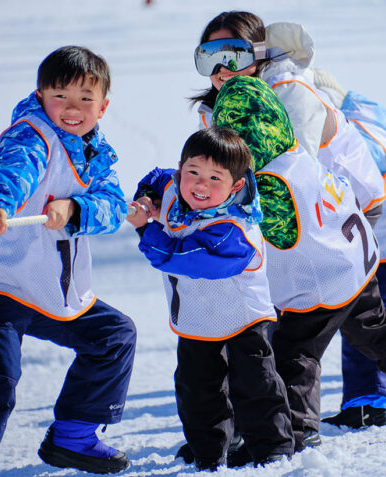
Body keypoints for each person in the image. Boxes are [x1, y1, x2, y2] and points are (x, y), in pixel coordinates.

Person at [194, 13, 386, 430]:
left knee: (295, 330)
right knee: (359, 323)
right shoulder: (224, 107)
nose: (222, 68)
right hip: (302, 216)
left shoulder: (288, 91)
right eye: (208, 57)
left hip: (329, 213)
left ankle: (292, 428)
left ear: (259, 54)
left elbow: (294, 168)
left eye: (234, 54)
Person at [0, 46, 136, 476]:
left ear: (103, 106)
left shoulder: (98, 153)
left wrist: (75, 208)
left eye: (85, 99)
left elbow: (113, 207)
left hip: (48, 287)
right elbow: (13, 170)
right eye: (60, 96)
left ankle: (73, 438)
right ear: (41, 95)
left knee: (113, 335)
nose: (72, 109)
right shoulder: (30, 134)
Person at [126, 127, 294, 470]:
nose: (200, 186)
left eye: (214, 178)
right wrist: (145, 197)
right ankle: (208, 450)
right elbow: (156, 178)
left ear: (235, 186)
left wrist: (146, 227)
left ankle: (273, 448)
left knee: (255, 383)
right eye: (193, 173)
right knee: (197, 388)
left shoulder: (234, 229)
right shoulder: (175, 188)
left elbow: (180, 256)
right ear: (181, 169)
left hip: (244, 317)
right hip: (195, 316)